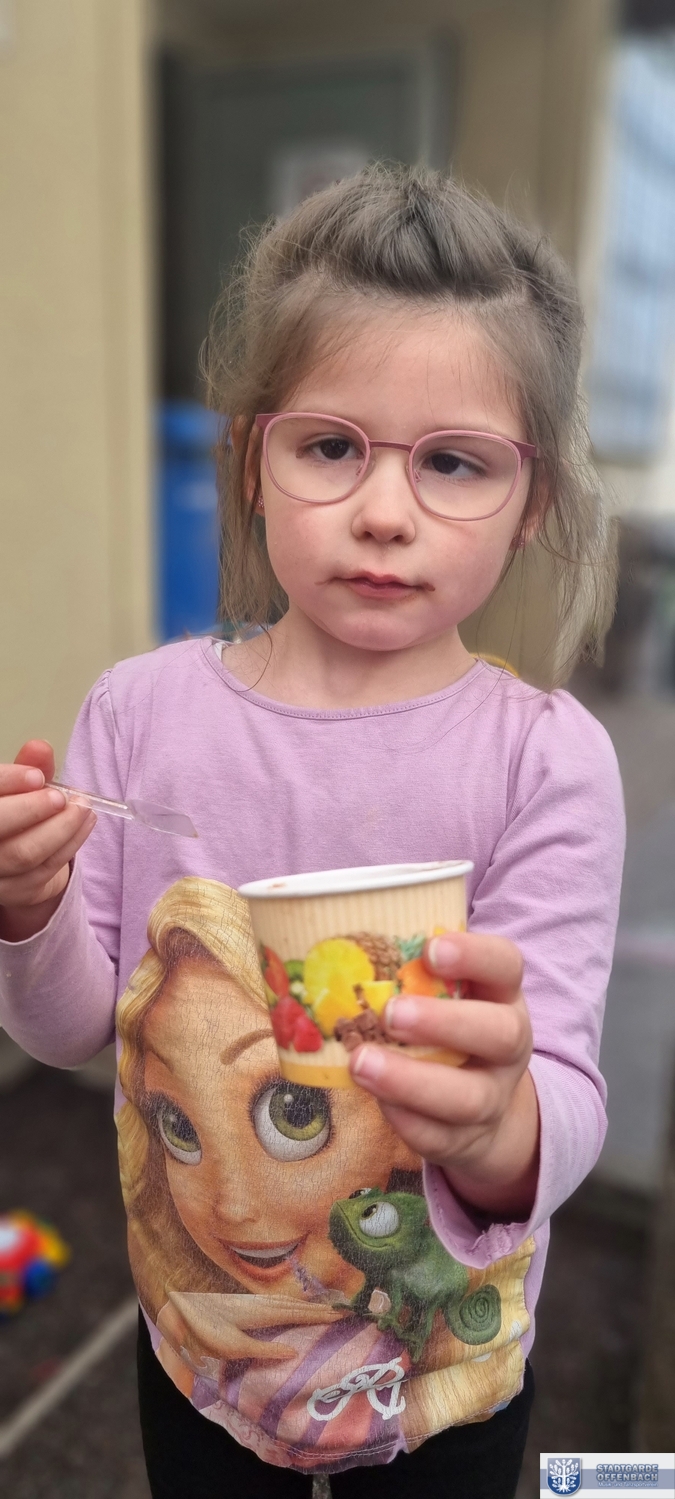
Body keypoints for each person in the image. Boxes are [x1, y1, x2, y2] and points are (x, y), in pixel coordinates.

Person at [0, 166, 624, 1498]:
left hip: (445, 1376)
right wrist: (29, 910)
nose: (385, 510)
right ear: (253, 460)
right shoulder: (139, 717)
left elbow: (568, 1094)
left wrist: (500, 1123)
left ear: (531, 504)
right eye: (331, 446)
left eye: (453, 462)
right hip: (201, 1354)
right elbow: (73, 1029)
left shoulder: (546, 761)